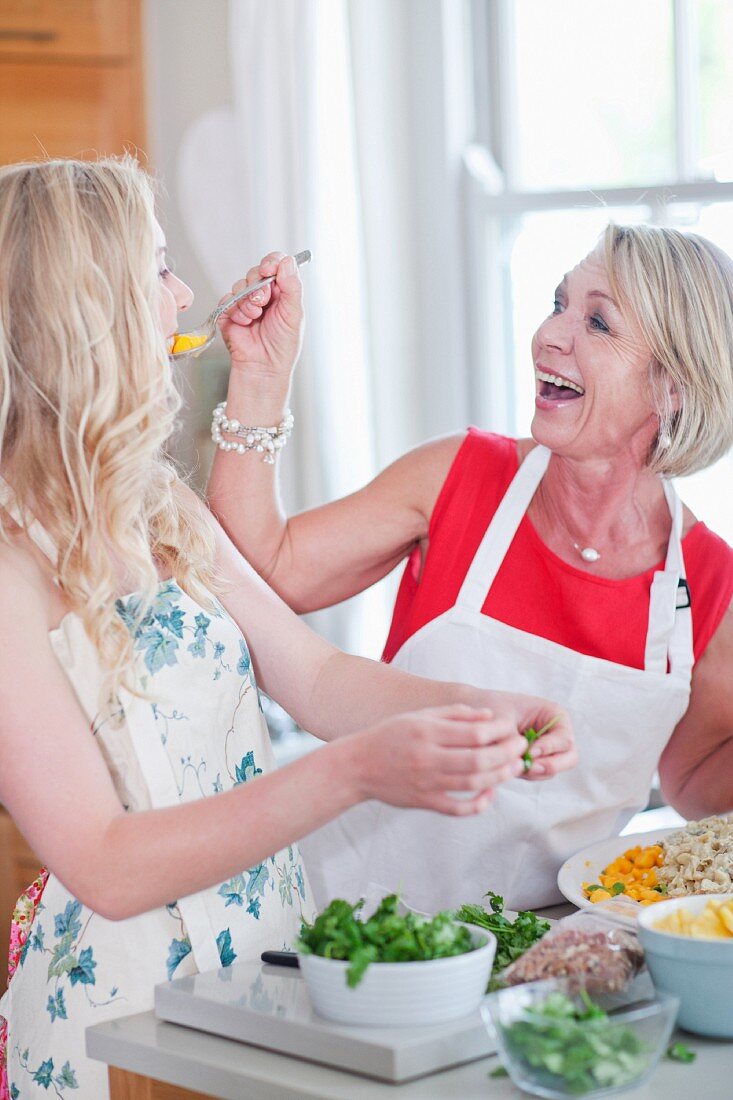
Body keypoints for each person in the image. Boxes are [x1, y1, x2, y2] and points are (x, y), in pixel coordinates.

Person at [0, 158, 575, 1100]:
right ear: (88, 311)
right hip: (117, 1027)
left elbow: (313, 676)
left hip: (258, 979)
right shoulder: (8, 572)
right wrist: (354, 772)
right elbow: (104, 863)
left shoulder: (156, 505)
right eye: (157, 268)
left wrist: (483, 710)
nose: (184, 292)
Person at [208, 223, 733, 915]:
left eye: (597, 322)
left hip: (542, 959)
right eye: (558, 302)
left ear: (671, 387)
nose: (549, 334)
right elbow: (260, 575)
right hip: (349, 927)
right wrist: (260, 377)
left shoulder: (706, 580)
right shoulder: (461, 476)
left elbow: (696, 781)